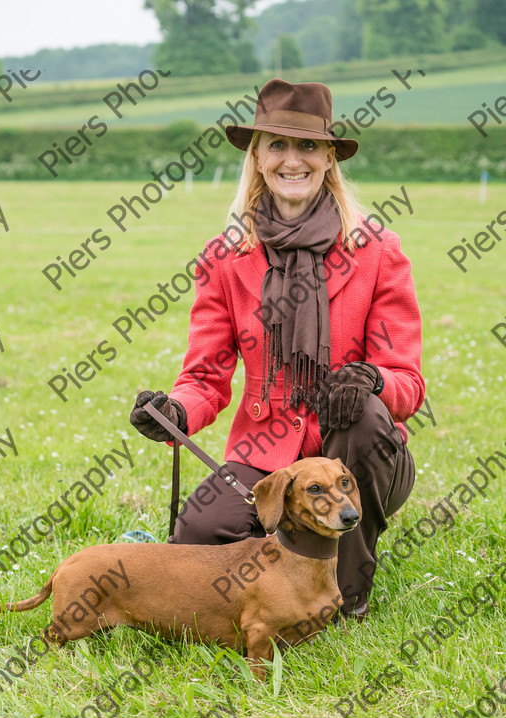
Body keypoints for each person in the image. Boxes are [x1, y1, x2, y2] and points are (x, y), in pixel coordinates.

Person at [130, 78, 424, 620]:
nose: (294, 160)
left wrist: (370, 380)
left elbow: (407, 381)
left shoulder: (379, 251)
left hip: (357, 457)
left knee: (359, 415)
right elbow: (206, 376)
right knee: (197, 537)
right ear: (258, 158)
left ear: (329, 157)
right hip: (266, 456)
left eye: (309, 146)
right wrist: (175, 411)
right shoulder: (223, 258)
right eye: (278, 145)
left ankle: (345, 595)